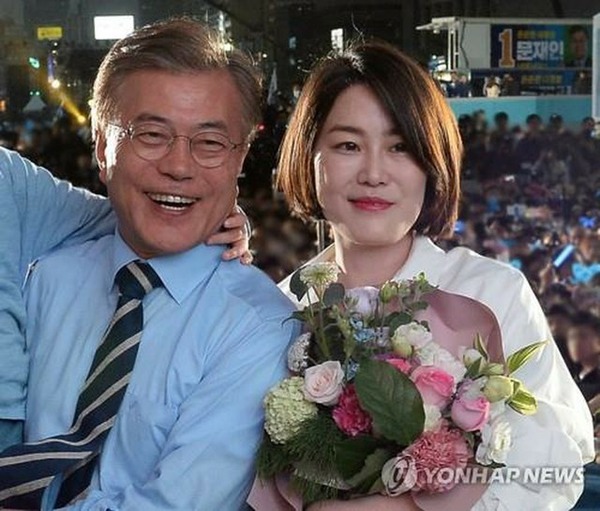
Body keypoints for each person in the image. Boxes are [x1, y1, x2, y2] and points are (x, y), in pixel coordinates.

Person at [251, 41, 594, 510]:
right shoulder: (278, 309)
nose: (374, 173)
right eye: (348, 145)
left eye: (401, 147)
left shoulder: (491, 292)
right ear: (309, 156)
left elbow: (558, 469)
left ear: (432, 164)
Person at [0, 17, 296, 510]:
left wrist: (207, 215)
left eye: (210, 143)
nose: (179, 166)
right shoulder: (51, 279)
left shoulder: (261, 327)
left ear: (240, 158)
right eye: (151, 135)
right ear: (102, 147)